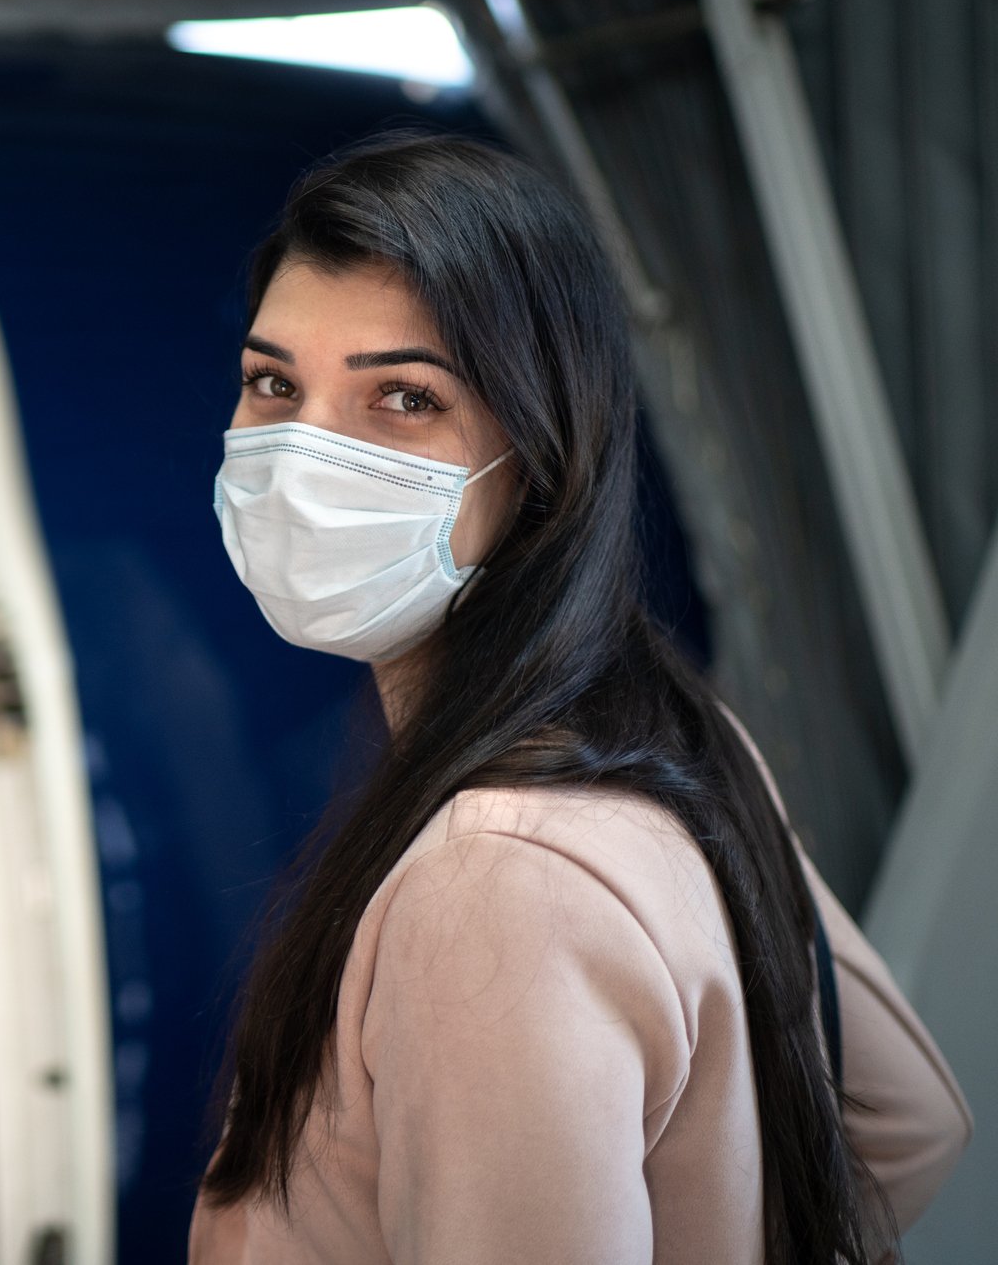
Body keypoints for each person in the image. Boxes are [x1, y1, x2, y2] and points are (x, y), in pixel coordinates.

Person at [192, 134, 970, 1264]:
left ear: (543, 452)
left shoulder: (495, 880)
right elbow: (904, 1124)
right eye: (274, 383)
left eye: (402, 397)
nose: (304, 455)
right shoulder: (671, 730)